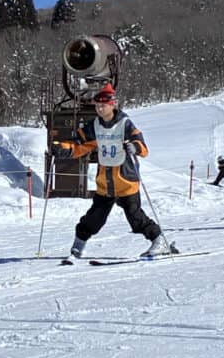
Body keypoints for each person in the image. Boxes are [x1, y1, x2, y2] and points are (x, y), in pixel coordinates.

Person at [52, 83, 167, 258]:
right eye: (97, 105)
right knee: (94, 218)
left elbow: (142, 146)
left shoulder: (124, 123)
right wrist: (64, 148)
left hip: (125, 181)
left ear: (112, 104)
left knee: (135, 217)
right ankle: (78, 246)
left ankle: (159, 240)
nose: (99, 109)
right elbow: (80, 144)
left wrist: (135, 147)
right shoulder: (95, 125)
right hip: (105, 182)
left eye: (103, 105)